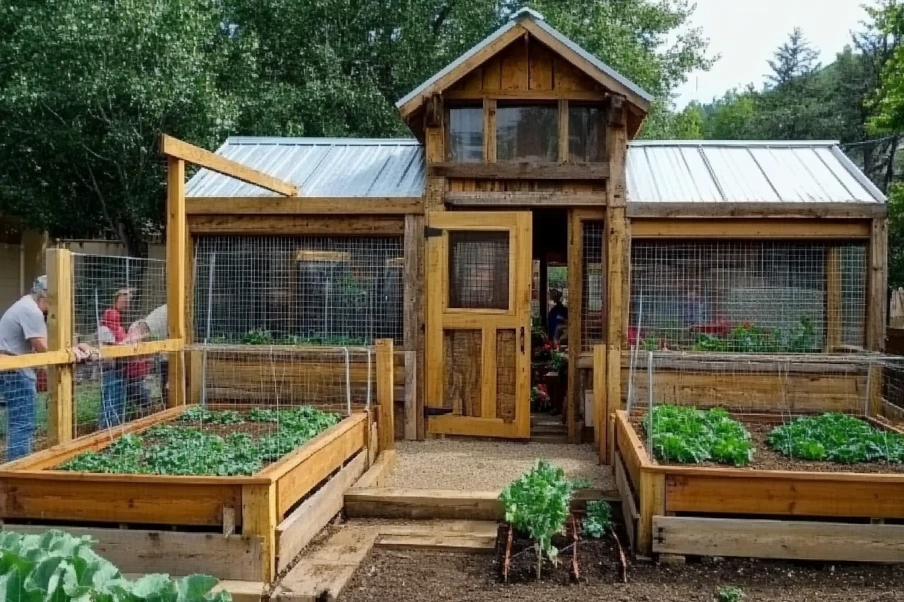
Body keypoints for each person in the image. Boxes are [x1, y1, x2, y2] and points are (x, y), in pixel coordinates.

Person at [0, 276, 92, 459]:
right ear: (48, 296)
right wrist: (72, 352)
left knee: (19, 422)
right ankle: (18, 470)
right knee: (23, 423)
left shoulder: (25, 305)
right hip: (15, 372)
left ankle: (16, 466)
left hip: (12, 368)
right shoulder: (31, 311)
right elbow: (44, 348)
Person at [97, 288, 133, 428]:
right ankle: (106, 427)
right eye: (123, 300)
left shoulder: (119, 323)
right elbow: (109, 350)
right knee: (109, 398)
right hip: (111, 368)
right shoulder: (107, 324)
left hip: (121, 367)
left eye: (128, 301)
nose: (126, 303)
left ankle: (116, 426)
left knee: (117, 398)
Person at [127, 305, 168, 407]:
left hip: (140, 372)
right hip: (135, 373)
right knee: (141, 394)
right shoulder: (156, 319)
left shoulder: (161, 315)